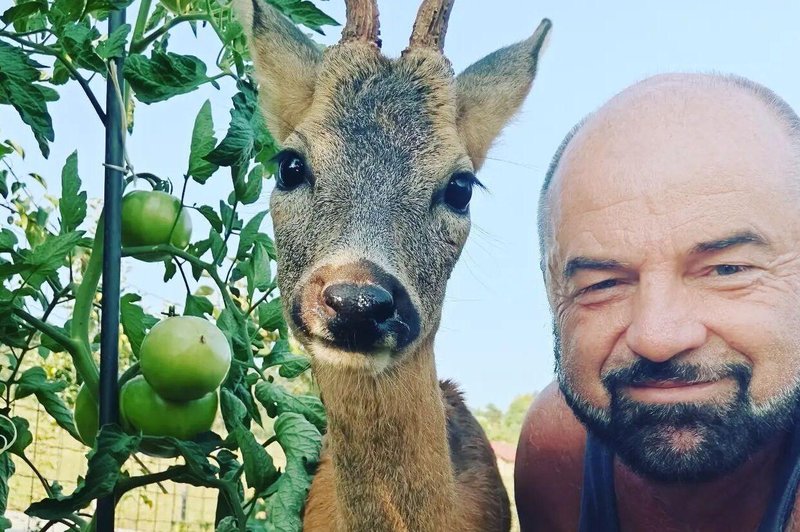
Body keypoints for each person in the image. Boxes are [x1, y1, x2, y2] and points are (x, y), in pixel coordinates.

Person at [515, 73, 800, 531]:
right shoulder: (558, 452)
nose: (657, 337)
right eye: (603, 284)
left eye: (727, 270)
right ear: (553, 294)